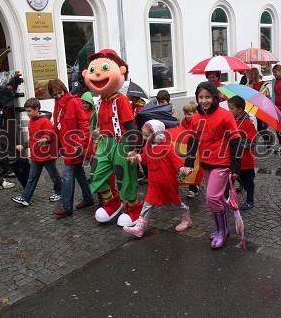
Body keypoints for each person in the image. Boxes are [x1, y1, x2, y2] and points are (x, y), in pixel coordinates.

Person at [83, 49, 143, 226]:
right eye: (93, 70)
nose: (98, 74)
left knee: (125, 176)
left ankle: (133, 208)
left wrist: (133, 149)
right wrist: (97, 133)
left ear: (121, 71)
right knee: (96, 175)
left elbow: (130, 126)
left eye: (104, 68)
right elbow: (102, 123)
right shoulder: (99, 101)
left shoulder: (122, 100)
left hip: (121, 142)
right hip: (105, 143)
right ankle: (112, 202)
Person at [185, 81, 241, 249]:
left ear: (215, 97)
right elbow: (192, 140)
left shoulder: (225, 115)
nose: (204, 101)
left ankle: (221, 232)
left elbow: (236, 140)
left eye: (207, 97)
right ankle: (223, 228)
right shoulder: (196, 117)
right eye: (201, 97)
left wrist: (235, 167)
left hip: (222, 164)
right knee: (216, 200)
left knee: (212, 198)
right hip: (206, 164)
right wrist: (188, 163)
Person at [123, 120, 193, 238]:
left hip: (168, 182)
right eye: (144, 135)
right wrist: (136, 158)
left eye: (147, 135)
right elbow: (144, 157)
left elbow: (176, 161)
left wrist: (183, 169)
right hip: (154, 183)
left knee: (176, 202)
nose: (145, 138)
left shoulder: (167, 146)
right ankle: (139, 228)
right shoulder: (148, 146)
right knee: (148, 203)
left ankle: (187, 220)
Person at [50, 78, 94, 217]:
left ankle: (66, 207)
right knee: (79, 173)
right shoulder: (58, 104)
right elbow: (57, 125)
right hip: (67, 146)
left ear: (64, 89)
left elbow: (84, 124)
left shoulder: (74, 102)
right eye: (55, 95)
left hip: (75, 146)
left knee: (68, 175)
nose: (58, 96)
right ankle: (88, 198)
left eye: (59, 93)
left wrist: (82, 144)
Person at [11, 98, 62, 206]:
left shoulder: (45, 121)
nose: (27, 113)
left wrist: (45, 139)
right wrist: (23, 146)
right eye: (26, 111)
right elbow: (32, 139)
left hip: (47, 156)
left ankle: (60, 192)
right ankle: (25, 198)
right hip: (36, 156)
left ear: (37, 109)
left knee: (54, 175)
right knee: (32, 177)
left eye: (29, 111)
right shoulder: (31, 122)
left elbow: (51, 134)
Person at [227, 96, 257, 211]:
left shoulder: (248, 124)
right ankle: (229, 198)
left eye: (231, 109)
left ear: (240, 109)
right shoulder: (231, 121)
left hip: (245, 161)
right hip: (233, 160)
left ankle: (250, 200)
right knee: (230, 181)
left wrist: (237, 141)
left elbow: (252, 142)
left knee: (248, 181)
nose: (229, 111)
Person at [246, 65, 272, 148]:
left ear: (256, 74)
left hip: (260, 108)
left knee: (261, 126)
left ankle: (268, 138)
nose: (250, 76)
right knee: (253, 125)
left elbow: (266, 95)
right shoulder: (248, 84)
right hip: (251, 108)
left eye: (252, 74)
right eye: (249, 74)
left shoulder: (263, 84)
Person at [181, 100, 199, 198]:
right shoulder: (184, 121)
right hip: (188, 144)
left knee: (198, 166)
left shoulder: (197, 121)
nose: (187, 116)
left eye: (189, 114)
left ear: (195, 113)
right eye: (185, 114)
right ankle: (192, 188)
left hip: (196, 143)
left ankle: (195, 185)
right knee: (188, 164)